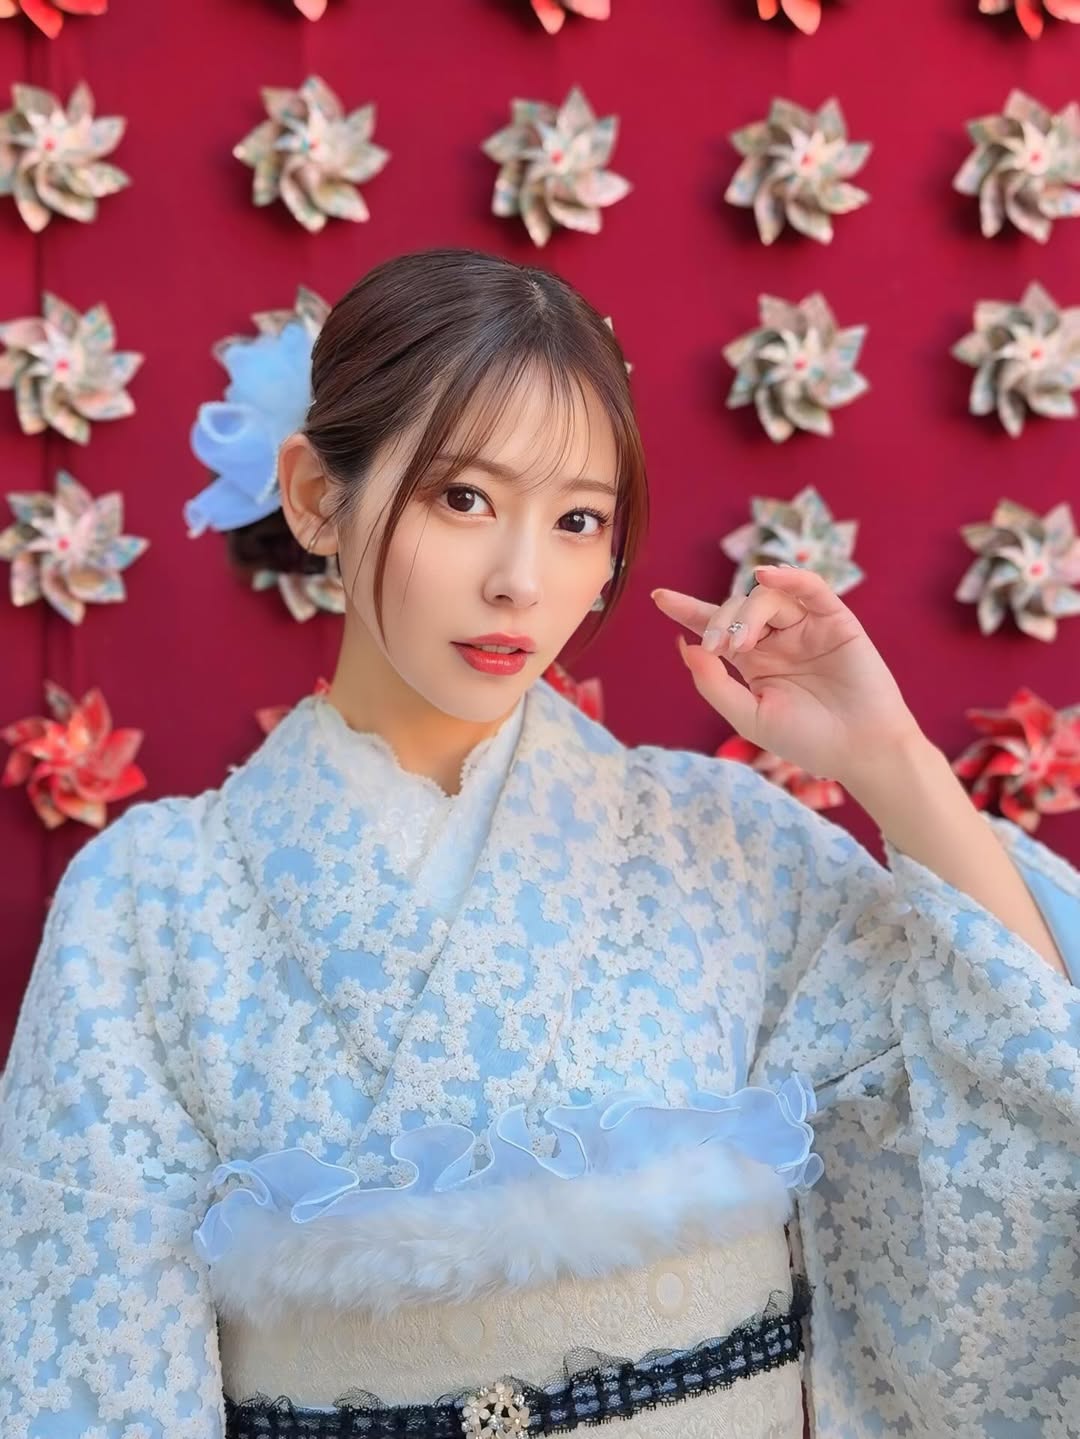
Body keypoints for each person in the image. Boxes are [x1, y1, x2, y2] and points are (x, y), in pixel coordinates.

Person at [1, 247, 1078, 1439]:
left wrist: (891, 760)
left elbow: (1014, 1105)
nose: (520, 580)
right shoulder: (147, 903)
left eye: (576, 520)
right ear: (313, 496)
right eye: (462, 498)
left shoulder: (726, 844)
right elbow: (88, 1368)